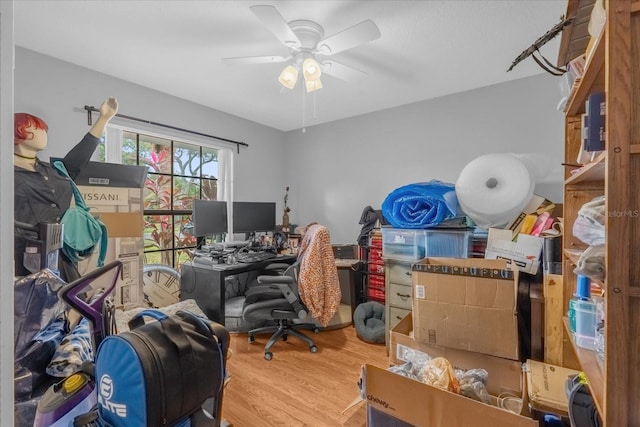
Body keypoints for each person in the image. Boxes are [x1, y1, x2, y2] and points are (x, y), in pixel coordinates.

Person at [14, 97, 119, 281]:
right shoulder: (9, 174)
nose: (44, 132)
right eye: (37, 127)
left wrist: (103, 119)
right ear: (19, 130)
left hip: (63, 256)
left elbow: (79, 158)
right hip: (24, 261)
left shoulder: (52, 170)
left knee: (71, 304)